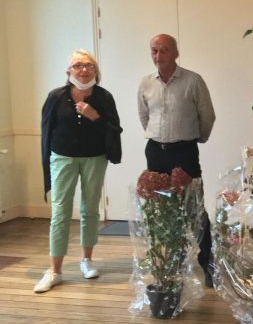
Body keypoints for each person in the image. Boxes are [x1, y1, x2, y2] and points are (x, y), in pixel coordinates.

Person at [36, 50, 122, 293]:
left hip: (95, 158)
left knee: (90, 209)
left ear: (96, 71)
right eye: (78, 65)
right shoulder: (56, 97)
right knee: (60, 212)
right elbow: (46, 130)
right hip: (62, 157)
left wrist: (95, 116)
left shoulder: (104, 97)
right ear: (68, 71)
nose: (84, 70)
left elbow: (115, 128)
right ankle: (55, 271)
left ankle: (87, 261)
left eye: (89, 66)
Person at [138, 34, 216, 286]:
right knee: (161, 210)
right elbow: (144, 116)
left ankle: (208, 263)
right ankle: (169, 263)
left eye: (164, 50)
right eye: (154, 51)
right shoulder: (146, 83)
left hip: (185, 151)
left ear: (175, 53)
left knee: (194, 207)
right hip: (155, 152)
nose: (158, 56)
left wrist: (195, 140)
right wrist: (157, 138)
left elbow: (207, 116)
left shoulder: (193, 81)